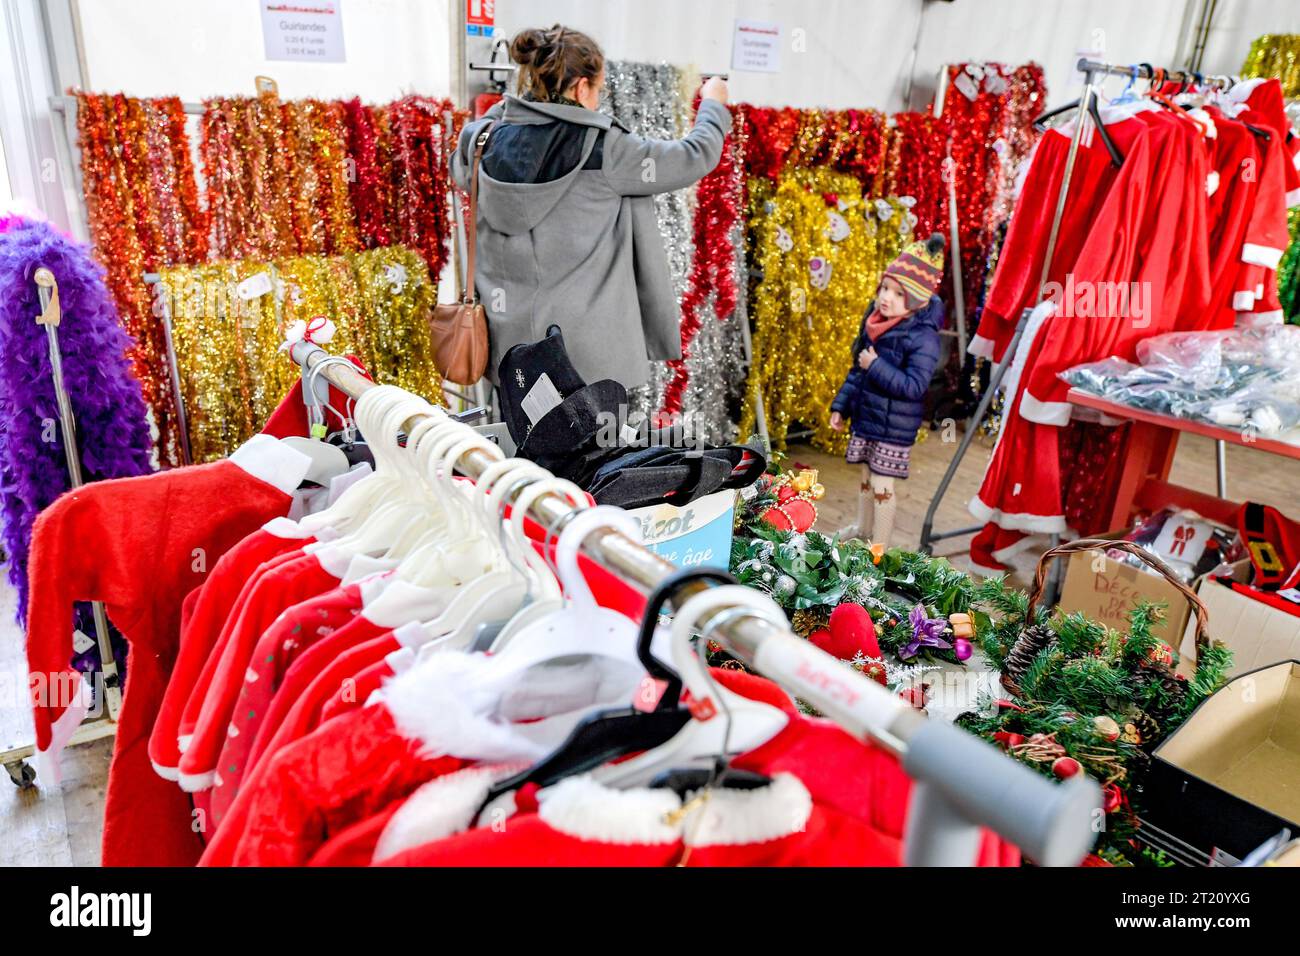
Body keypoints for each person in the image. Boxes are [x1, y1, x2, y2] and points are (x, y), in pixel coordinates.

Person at [451, 24, 731, 392]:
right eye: (598, 89)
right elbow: (695, 156)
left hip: (511, 355)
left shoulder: (481, 141)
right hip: (589, 365)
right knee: (600, 448)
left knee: (517, 448)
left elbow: (464, 159)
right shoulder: (608, 149)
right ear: (581, 87)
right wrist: (713, 103)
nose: (599, 100)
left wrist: (525, 98)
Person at [830, 234, 946, 549]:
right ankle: (862, 526)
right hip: (869, 420)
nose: (886, 298)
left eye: (898, 293)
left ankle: (878, 545)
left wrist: (877, 365)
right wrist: (841, 406)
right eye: (884, 288)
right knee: (867, 478)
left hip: (893, 430)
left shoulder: (923, 338)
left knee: (883, 485)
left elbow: (914, 386)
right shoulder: (877, 323)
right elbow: (858, 370)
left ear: (918, 299)